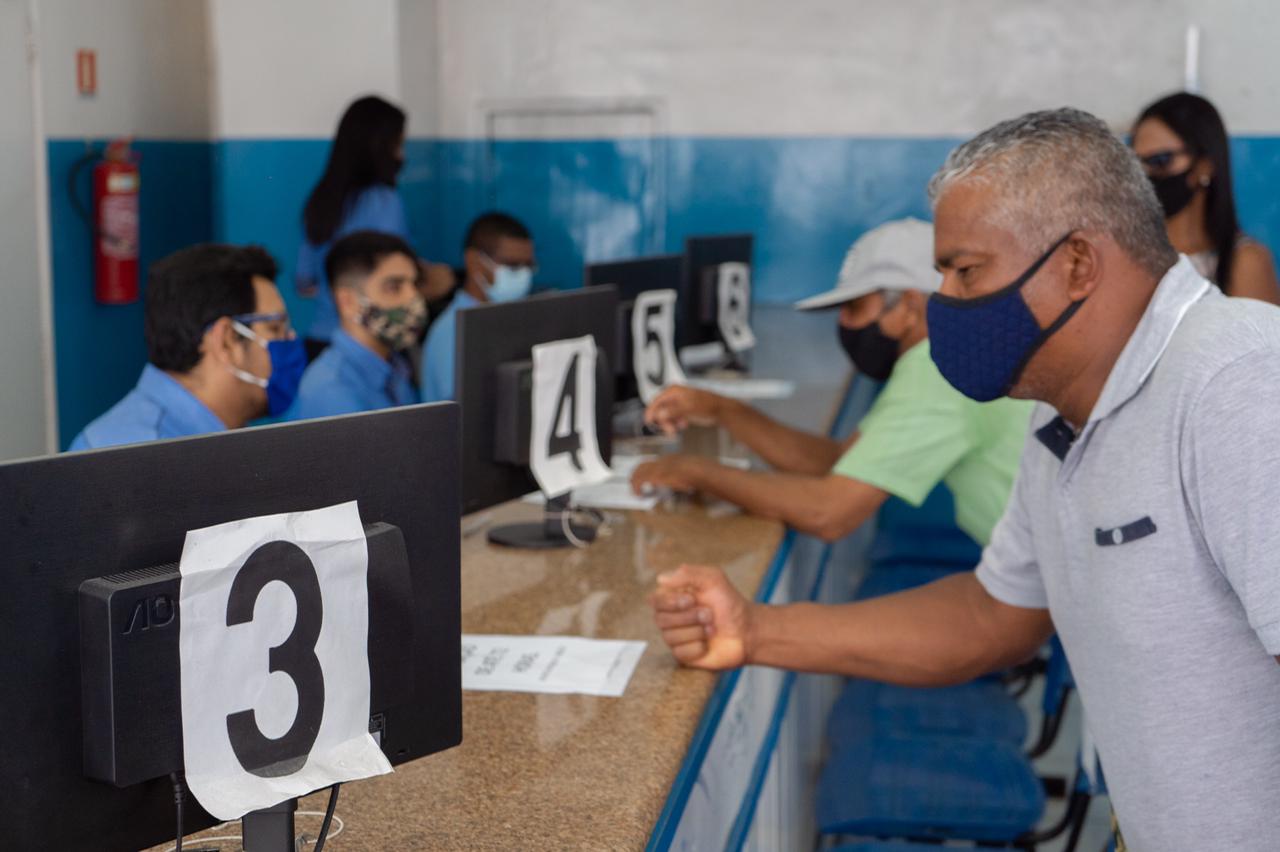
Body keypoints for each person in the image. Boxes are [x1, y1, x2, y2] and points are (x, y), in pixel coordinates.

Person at [651, 108, 1280, 851]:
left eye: (967, 270)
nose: (943, 303)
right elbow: (990, 616)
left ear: (1078, 263)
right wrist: (754, 630)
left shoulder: (1239, 386)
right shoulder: (1064, 411)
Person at [631, 218, 1032, 546]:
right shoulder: (957, 351)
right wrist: (723, 410)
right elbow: (840, 463)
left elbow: (828, 513)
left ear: (910, 306)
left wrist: (697, 472)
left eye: (855, 307)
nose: (844, 324)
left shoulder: (937, 368)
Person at [69, 244, 302, 450]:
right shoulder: (134, 460)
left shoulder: (222, 438)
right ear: (227, 340)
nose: (290, 338)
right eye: (275, 328)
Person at [296, 95, 452, 359]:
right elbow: (394, 271)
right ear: (379, 147)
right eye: (398, 145)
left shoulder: (321, 200)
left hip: (321, 340)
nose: (401, 156)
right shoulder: (385, 201)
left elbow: (305, 283)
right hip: (368, 341)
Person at [1131, 92, 1280, 303]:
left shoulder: (1243, 261)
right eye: (1135, 163)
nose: (1146, 174)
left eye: (1161, 161)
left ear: (1205, 165)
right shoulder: (1130, 259)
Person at [288, 230, 425, 420]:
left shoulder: (395, 367)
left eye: (415, 284)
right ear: (348, 302)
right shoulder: (332, 390)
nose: (413, 297)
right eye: (394, 287)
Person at [420, 211, 536, 401]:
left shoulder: (511, 319)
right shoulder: (453, 332)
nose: (524, 276)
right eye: (513, 266)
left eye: (528, 266)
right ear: (474, 261)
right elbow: (466, 411)